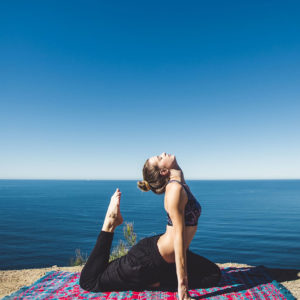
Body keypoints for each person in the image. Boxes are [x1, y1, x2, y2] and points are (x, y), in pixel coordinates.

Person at [79, 153, 221, 300]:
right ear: (164, 171)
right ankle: (110, 224)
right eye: (160, 158)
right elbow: (179, 238)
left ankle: (154, 281)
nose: (163, 154)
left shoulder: (179, 184)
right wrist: (183, 288)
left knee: (213, 274)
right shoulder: (174, 190)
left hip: (166, 256)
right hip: (147, 260)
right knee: (90, 281)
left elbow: (178, 175)